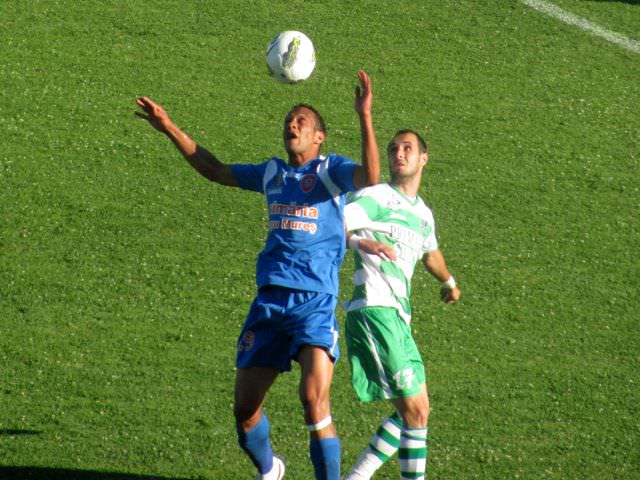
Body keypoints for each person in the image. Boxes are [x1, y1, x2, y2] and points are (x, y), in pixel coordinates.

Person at [135, 70, 380, 480]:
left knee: (312, 399)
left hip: (313, 303)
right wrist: (168, 128)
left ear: (319, 137)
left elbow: (371, 177)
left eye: (302, 120)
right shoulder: (271, 174)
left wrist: (365, 116)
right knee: (244, 411)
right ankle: (271, 470)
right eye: (289, 119)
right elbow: (213, 169)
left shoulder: (330, 172)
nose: (293, 124)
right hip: (269, 302)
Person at [342, 129, 461, 480]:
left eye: (407, 148)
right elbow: (336, 225)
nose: (398, 153)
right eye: (394, 148)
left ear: (423, 158)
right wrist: (365, 245)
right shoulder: (377, 196)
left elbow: (431, 253)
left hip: (399, 319)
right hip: (374, 310)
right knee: (415, 411)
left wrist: (449, 282)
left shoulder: (423, 214)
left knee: (414, 410)